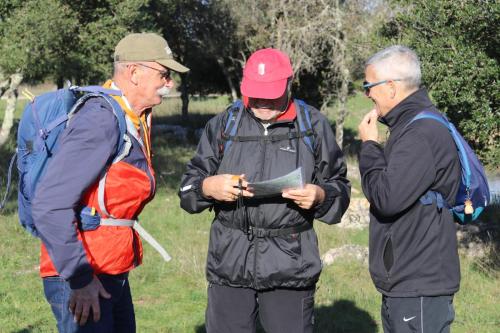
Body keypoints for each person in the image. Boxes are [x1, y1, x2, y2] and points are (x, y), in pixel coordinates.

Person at [179, 48, 350, 333]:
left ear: (288, 84)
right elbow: (187, 188)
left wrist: (320, 196)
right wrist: (208, 187)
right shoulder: (224, 124)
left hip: (291, 266)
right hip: (229, 264)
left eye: (270, 93)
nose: (261, 101)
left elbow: (340, 188)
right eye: (255, 92)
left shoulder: (313, 126)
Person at [31, 32, 189, 332]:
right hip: (83, 275)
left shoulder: (131, 117)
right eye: (164, 74)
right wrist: (79, 280)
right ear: (134, 73)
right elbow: (49, 204)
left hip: (108, 269)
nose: (169, 83)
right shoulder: (100, 119)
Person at [358, 45, 461, 332]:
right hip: (409, 280)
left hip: (419, 283)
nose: (366, 94)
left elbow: (386, 197)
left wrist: (368, 146)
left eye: (368, 86)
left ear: (390, 87)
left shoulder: (421, 133)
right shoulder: (410, 126)